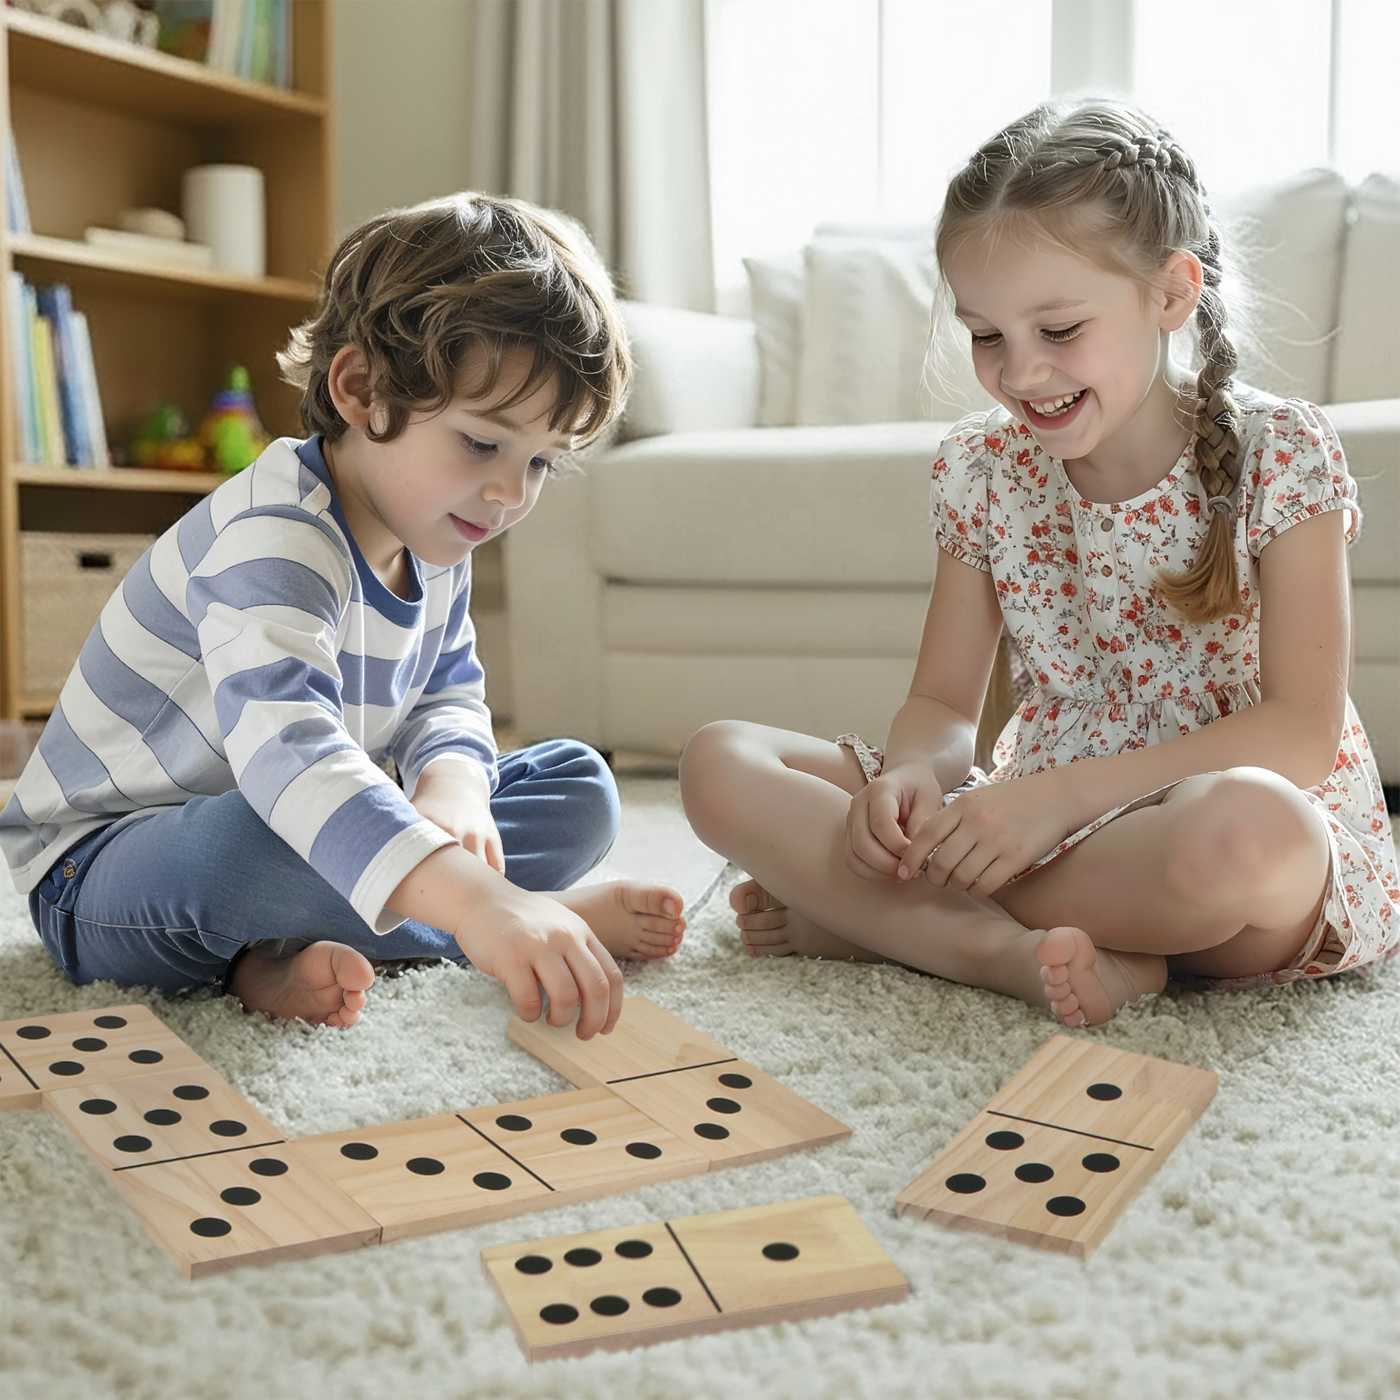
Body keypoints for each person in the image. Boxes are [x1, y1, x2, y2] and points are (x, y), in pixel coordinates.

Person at [679, 100, 1399, 1028]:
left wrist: (1054, 805)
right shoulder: (982, 469)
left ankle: (881, 927)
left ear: (1172, 293)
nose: (1022, 376)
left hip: (1193, 839)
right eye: (987, 337)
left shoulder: (1281, 451)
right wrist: (911, 779)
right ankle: (1000, 949)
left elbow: (1300, 732)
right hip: (1026, 821)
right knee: (718, 761)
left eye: (1058, 332)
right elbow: (943, 707)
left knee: (1255, 837)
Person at [1, 193, 687, 1036]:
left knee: (579, 788)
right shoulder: (274, 539)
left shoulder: (438, 527)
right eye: (482, 444)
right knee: (262, 840)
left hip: (307, 823)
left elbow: (447, 690)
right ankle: (486, 918)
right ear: (361, 389)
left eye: (541, 461)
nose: (511, 494)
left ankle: (291, 954)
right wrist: (478, 902)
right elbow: (292, 756)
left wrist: (454, 784)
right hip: (103, 873)